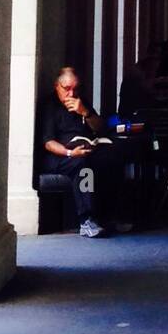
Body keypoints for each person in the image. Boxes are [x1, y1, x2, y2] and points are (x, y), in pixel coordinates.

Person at [41, 68, 124, 237]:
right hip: (60, 155)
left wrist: (84, 112)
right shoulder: (50, 106)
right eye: (67, 88)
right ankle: (86, 219)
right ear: (57, 86)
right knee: (82, 166)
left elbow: (100, 127)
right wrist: (70, 153)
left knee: (111, 157)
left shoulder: (80, 101)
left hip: (85, 148)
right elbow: (48, 143)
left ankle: (110, 215)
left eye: (75, 89)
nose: (71, 93)